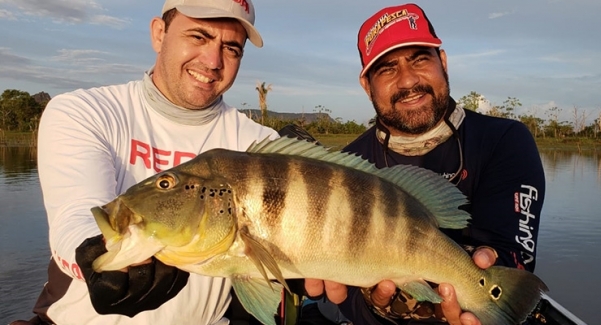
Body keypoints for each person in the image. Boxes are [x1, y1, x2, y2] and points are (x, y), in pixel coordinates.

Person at [11, 0, 278, 324]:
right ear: (159, 33)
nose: (212, 61)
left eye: (232, 48)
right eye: (198, 36)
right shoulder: (84, 112)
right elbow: (75, 217)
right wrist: (95, 259)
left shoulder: (259, 147)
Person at [303, 3, 545, 325]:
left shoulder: (503, 140)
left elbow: (514, 256)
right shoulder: (348, 167)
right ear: (367, 85)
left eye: (419, 58)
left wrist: (488, 265)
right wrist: (378, 309)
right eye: (387, 68)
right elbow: (344, 293)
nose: (407, 80)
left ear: (442, 62)